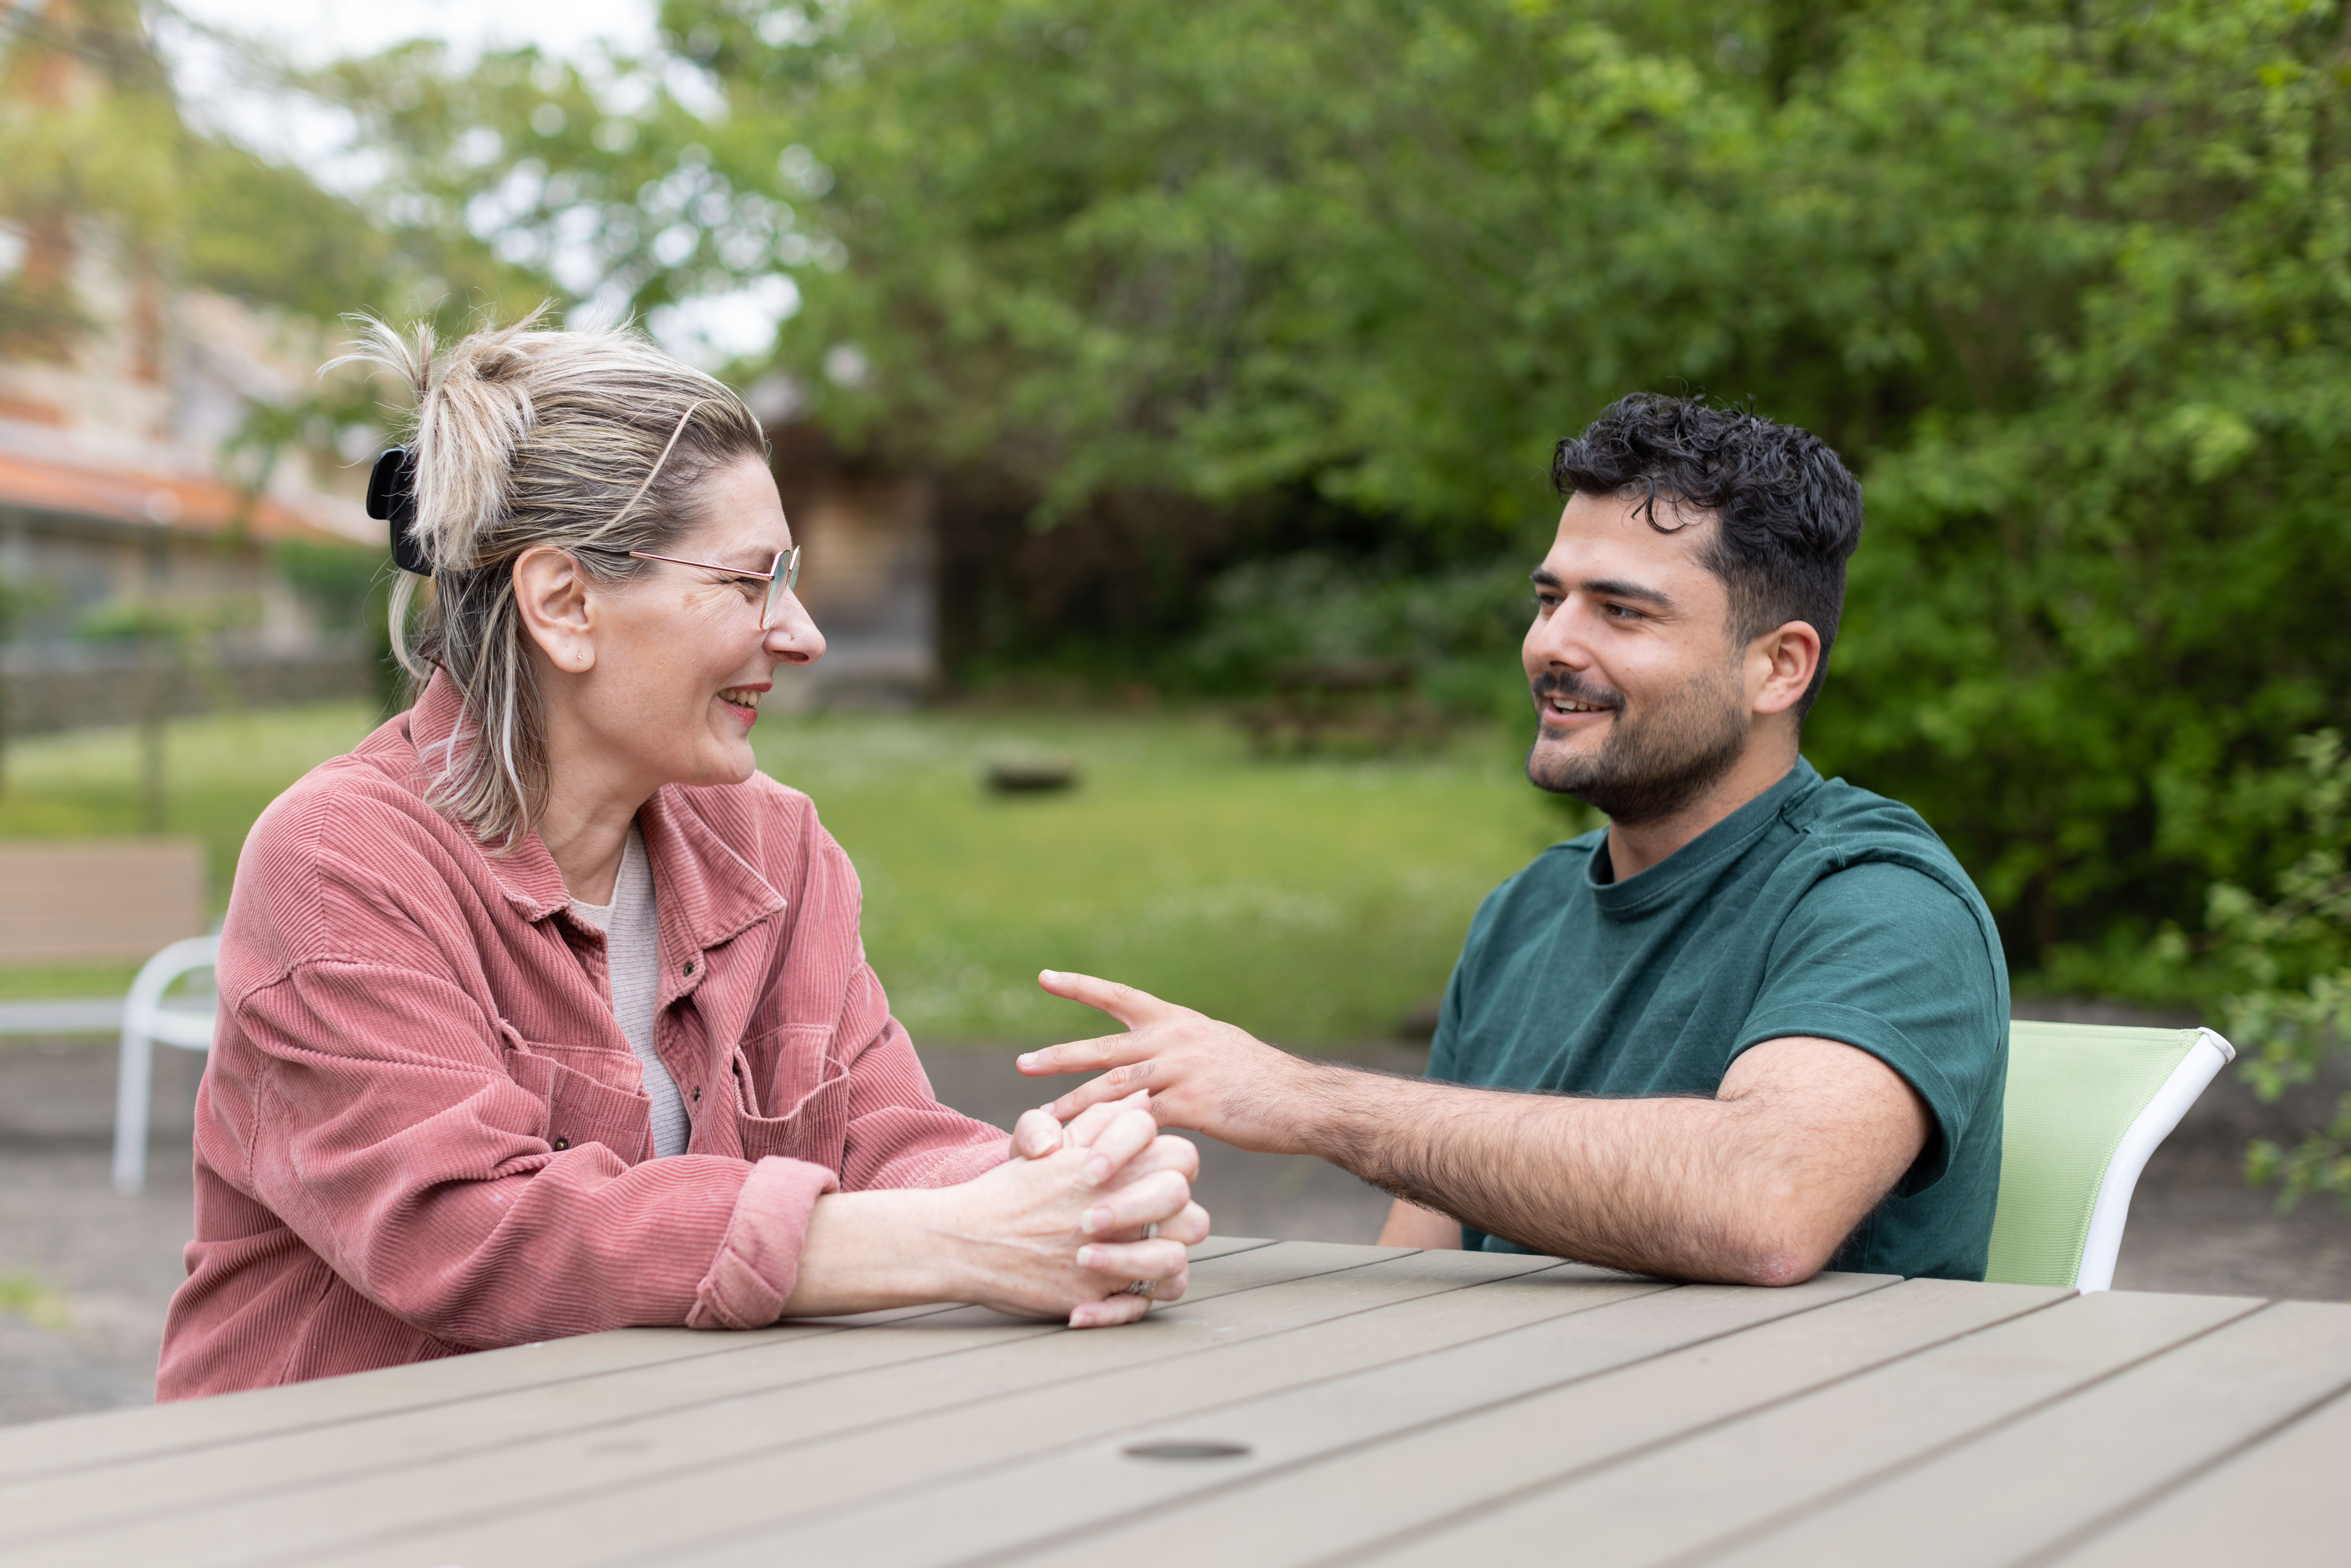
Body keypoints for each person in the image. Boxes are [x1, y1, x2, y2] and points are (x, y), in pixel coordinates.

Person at [158, 315, 1204, 1400]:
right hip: (325, 1500)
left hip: (648, 1469)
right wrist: (956, 1242)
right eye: (750, 584)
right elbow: (479, 1233)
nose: (802, 635)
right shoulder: (341, 863)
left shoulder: (777, 845)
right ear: (565, 604)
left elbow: (885, 1138)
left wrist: (1056, 1189)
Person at [1016, 394, 2008, 1285]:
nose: (1551, 646)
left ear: (1779, 668)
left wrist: (1308, 1102)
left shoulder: (1880, 900)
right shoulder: (1529, 912)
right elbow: (1421, 1262)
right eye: (1550, 600)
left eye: (1621, 611)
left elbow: (1768, 1208)